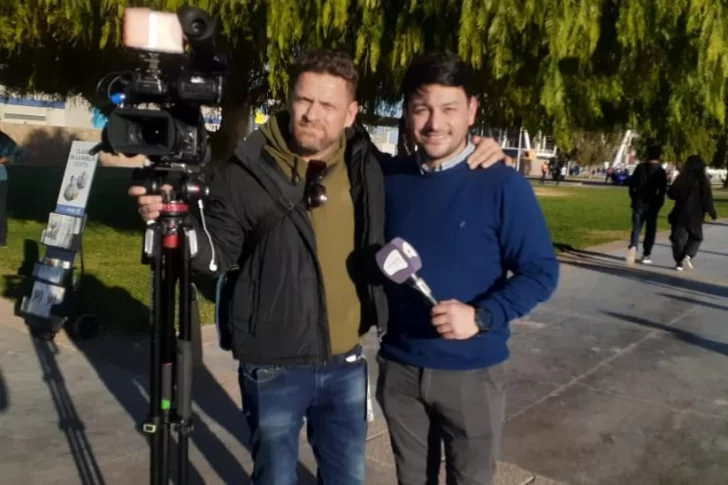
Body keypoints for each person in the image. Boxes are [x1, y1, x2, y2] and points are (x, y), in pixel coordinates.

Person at [130, 49, 506, 485]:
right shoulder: (244, 171)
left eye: (327, 105)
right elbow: (215, 256)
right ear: (289, 100)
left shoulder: (368, 166)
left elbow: (433, 170)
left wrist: (481, 148)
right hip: (271, 369)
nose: (312, 114)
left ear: (350, 113)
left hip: (346, 364)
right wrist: (172, 222)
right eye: (304, 100)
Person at [376, 51, 560, 485]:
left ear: (472, 110)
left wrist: (480, 316)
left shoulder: (503, 185)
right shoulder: (389, 179)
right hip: (400, 370)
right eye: (422, 108)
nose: (434, 123)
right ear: (407, 112)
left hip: (472, 374)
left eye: (449, 109)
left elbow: (541, 271)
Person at [667, 154, 717, 271]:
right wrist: (711, 211)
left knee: (678, 238)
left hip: (680, 213)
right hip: (696, 215)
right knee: (696, 237)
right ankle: (687, 255)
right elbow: (707, 198)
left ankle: (679, 260)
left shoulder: (682, 178)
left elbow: (671, 193)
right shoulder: (703, 181)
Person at [626, 145, 668, 266]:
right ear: (659, 157)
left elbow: (632, 183)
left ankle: (633, 246)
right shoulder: (660, 171)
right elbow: (663, 190)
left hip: (639, 201)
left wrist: (633, 196)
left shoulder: (640, 168)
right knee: (650, 229)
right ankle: (646, 253)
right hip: (652, 203)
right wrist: (660, 202)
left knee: (637, 227)